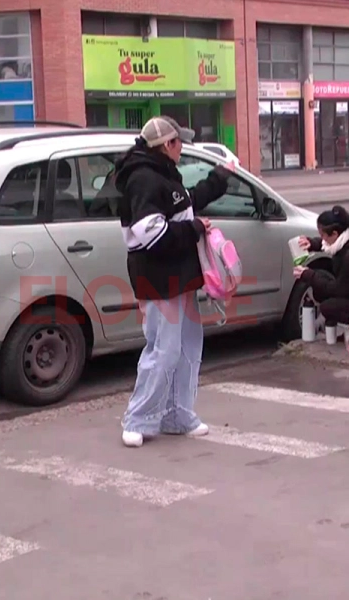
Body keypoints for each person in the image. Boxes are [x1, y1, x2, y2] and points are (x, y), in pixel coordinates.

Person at [115, 116, 235, 448]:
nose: (183, 146)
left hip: (179, 275)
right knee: (164, 350)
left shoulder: (162, 173)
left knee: (186, 347)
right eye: (179, 141)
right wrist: (195, 228)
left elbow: (185, 203)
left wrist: (220, 178)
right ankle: (138, 418)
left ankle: (177, 414)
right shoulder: (143, 179)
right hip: (159, 277)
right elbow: (153, 235)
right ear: (167, 145)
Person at [293, 205, 349, 327]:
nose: (322, 239)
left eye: (323, 235)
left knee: (327, 307)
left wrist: (309, 275)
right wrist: (312, 243)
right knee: (320, 291)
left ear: (335, 234)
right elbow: (328, 245)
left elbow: (339, 290)